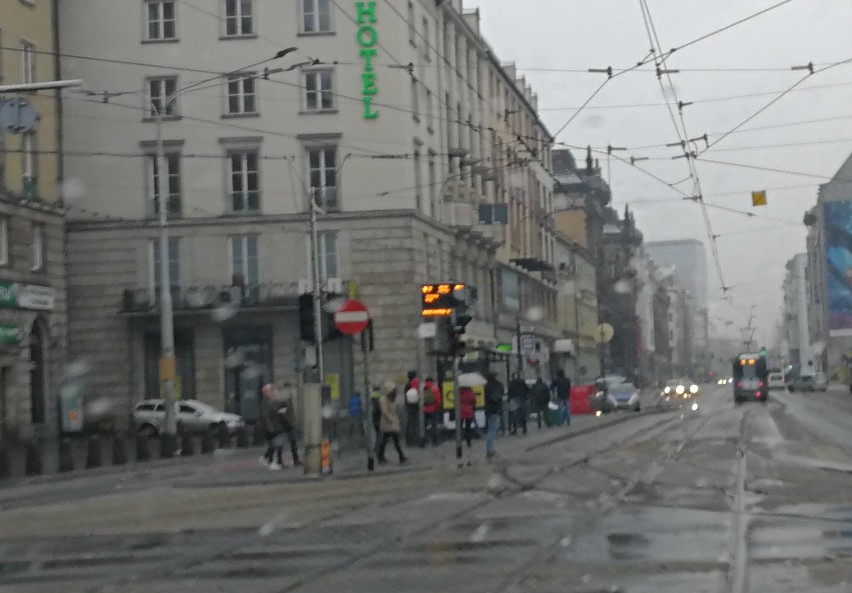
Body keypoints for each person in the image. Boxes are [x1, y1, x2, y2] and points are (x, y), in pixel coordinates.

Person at [377, 381, 408, 465]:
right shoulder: (383, 399)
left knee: (386, 440)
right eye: (393, 390)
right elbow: (384, 411)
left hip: (392, 422)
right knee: (394, 440)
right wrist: (390, 420)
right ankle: (401, 456)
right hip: (388, 422)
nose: (394, 392)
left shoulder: (392, 398)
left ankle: (381, 456)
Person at [484, 372, 504, 458]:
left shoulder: (487, 386)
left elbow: (486, 398)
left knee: (491, 430)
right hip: (495, 410)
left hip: (489, 410)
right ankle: (489, 450)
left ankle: (491, 449)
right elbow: (500, 396)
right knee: (492, 431)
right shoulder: (498, 386)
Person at [422, 376, 442, 446]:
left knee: (424, 425)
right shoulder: (435, 389)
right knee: (434, 425)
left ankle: (423, 440)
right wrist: (437, 407)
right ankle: (435, 441)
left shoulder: (422, 388)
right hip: (433, 409)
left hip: (424, 409)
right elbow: (438, 400)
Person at [403, 370, 420, 445]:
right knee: (414, 423)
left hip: (409, 405)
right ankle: (413, 439)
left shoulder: (407, 385)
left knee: (410, 423)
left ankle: (409, 440)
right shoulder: (413, 384)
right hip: (414, 406)